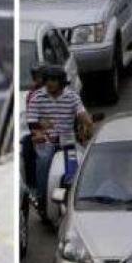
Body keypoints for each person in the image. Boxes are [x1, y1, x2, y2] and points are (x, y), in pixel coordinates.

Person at [25, 65, 92, 208]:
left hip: (68, 141)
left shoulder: (72, 96)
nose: (50, 83)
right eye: (48, 79)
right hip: (47, 141)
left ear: (61, 81)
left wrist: (87, 125)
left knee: (82, 164)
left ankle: (82, 198)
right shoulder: (37, 97)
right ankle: (41, 199)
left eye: (54, 80)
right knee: (43, 161)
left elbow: (82, 115)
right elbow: (32, 124)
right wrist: (40, 135)